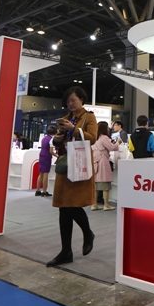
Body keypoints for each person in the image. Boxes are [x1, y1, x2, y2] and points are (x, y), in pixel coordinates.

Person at [47, 86, 97, 267]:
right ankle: (66, 251)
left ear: (81, 99)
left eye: (73, 100)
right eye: (68, 101)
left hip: (79, 164)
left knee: (72, 205)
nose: (70, 103)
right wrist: (57, 138)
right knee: (63, 207)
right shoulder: (66, 118)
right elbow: (58, 141)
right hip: (65, 165)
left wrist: (73, 129)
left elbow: (92, 138)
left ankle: (87, 232)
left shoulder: (89, 117)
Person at [92, 121, 119, 209]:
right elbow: (112, 147)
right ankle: (106, 205)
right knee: (105, 185)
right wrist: (118, 143)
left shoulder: (95, 138)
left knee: (96, 185)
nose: (108, 129)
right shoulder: (104, 137)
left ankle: (94, 204)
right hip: (103, 162)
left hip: (95, 162)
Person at [36, 125, 57, 197]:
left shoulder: (44, 138)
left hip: (41, 155)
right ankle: (44, 191)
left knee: (41, 174)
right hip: (47, 157)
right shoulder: (51, 139)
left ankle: (38, 190)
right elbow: (51, 151)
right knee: (46, 174)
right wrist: (57, 156)